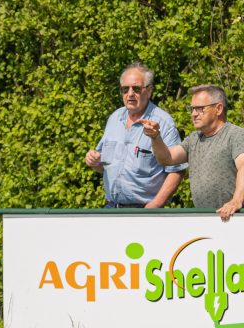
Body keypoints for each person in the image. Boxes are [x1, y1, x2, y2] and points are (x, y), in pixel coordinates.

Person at [85, 63, 186, 207]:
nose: (130, 94)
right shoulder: (114, 118)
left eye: (136, 89)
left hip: (143, 211)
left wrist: (154, 205)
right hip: (111, 207)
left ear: (149, 91)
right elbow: (104, 166)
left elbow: (177, 170)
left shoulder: (163, 123)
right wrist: (94, 161)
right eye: (125, 89)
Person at [141, 84, 244, 221]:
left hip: (234, 218)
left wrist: (236, 201)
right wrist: (155, 137)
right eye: (192, 109)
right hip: (204, 220)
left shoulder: (235, 134)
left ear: (218, 109)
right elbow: (167, 158)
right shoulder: (194, 139)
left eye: (200, 109)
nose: (194, 114)